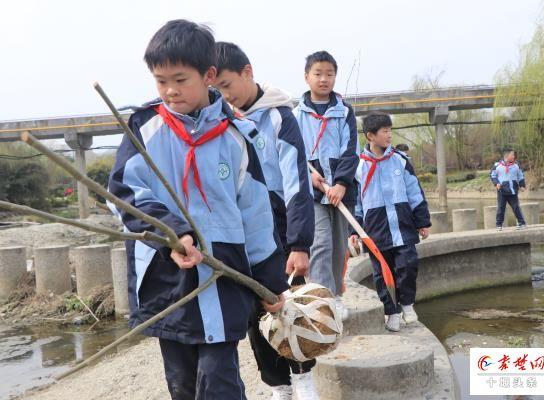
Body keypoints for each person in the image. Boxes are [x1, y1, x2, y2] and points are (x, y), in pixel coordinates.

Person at [108, 20, 288, 400]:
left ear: (208, 75)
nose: (170, 91)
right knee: (183, 384)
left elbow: (257, 215)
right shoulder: (145, 129)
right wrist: (170, 233)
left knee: (219, 380)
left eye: (180, 79)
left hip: (224, 277)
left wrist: (271, 283)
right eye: (160, 81)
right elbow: (124, 193)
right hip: (168, 277)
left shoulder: (238, 137)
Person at [214, 41, 318, 400]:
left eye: (227, 85)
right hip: (242, 232)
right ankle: (277, 385)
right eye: (217, 90)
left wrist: (300, 242)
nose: (224, 96)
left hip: (281, 228)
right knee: (255, 314)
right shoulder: (220, 121)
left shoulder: (279, 116)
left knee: (291, 306)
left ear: (248, 73)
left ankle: (304, 377)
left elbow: (296, 183)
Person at [350, 112, 431, 331]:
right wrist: (354, 229)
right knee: (382, 273)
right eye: (385, 131)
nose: (389, 135)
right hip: (375, 229)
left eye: (390, 130)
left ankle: (407, 305)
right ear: (370, 136)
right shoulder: (358, 166)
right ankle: (391, 312)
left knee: (408, 265)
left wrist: (422, 221)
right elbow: (355, 202)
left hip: (402, 226)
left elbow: (415, 192)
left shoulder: (401, 160)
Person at [294, 51, 359, 320]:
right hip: (313, 191)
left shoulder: (344, 111)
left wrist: (342, 183)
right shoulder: (296, 114)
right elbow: (292, 152)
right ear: (307, 77)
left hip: (339, 191)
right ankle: (323, 300)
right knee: (320, 243)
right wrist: (308, 178)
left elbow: (351, 150)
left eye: (329, 74)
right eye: (318, 74)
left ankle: (337, 295)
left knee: (338, 246)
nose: (324, 79)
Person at [490, 148, 527, 231]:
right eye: (512, 155)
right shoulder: (497, 165)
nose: (514, 156)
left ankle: (522, 223)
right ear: (507, 156)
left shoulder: (516, 165)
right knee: (501, 208)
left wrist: (522, 185)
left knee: (516, 207)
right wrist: (496, 183)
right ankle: (499, 225)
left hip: (513, 190)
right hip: (502, 191)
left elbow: (520, 175)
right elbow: (493, 175)